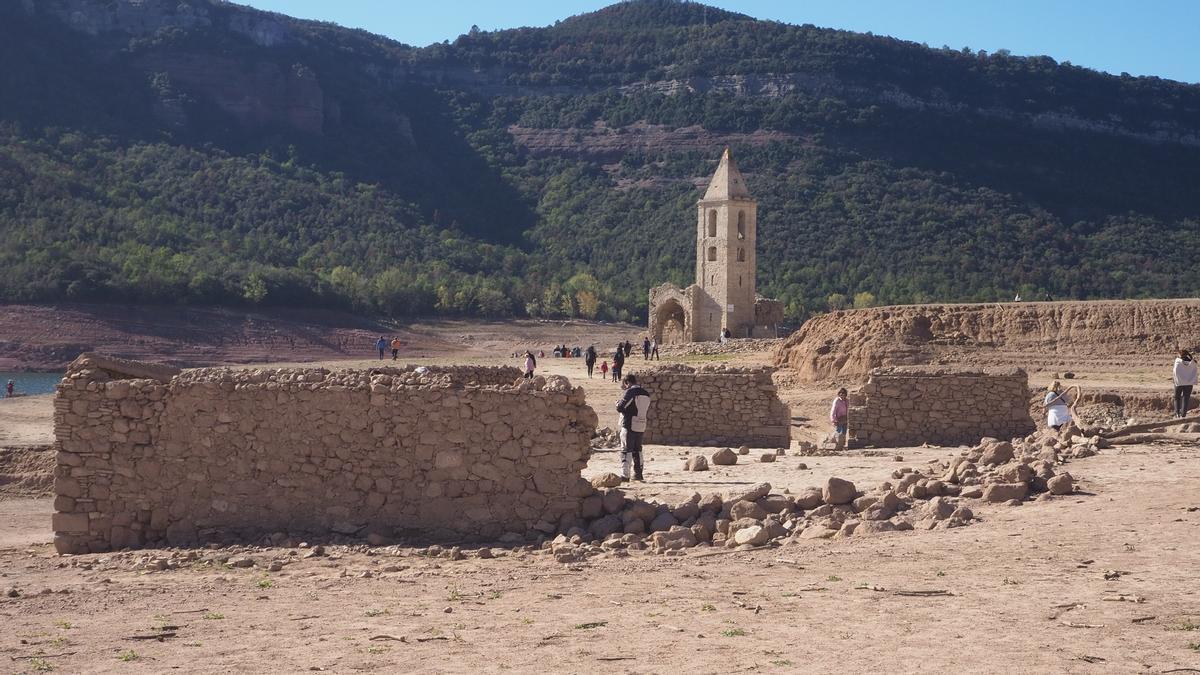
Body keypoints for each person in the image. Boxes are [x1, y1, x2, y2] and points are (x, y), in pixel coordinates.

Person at [616, 374, 651, 482]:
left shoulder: (630, 392)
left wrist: (617, 404)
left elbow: (621, 407)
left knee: (626, 450)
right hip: (641, 424)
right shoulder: (646, 393)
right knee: (638, 450)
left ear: (627, 383)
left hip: (629, 423)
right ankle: (638, 474)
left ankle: (625, 475)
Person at [1173, 350, 1198, 418]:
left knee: (1177, 397)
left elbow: (1175, 372)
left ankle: (1177, 413)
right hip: (1189, 383)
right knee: (1186, 398)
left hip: (1179, 382)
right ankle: (1183, 414)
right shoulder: (1192, 362)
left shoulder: (1177, 361)